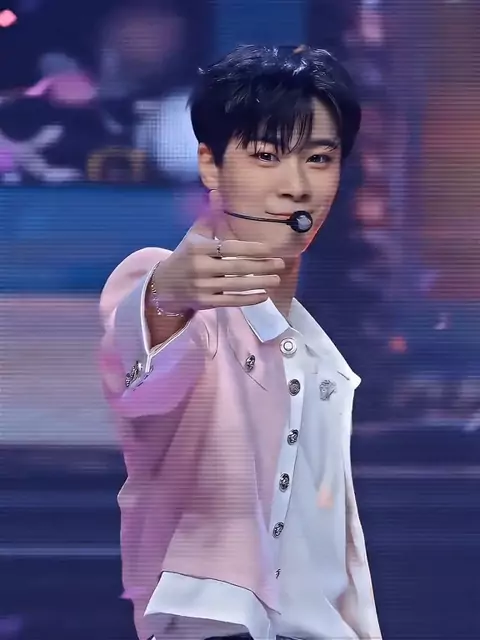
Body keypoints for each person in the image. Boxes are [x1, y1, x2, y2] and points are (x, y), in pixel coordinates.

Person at [100, 44, 382, 640]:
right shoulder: (167, 291)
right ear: (210, 164)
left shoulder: (319, 356)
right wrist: (166, 296)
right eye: (266, 156)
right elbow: (139, 382)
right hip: (213, 624)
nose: (296, 187)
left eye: (320, 158)